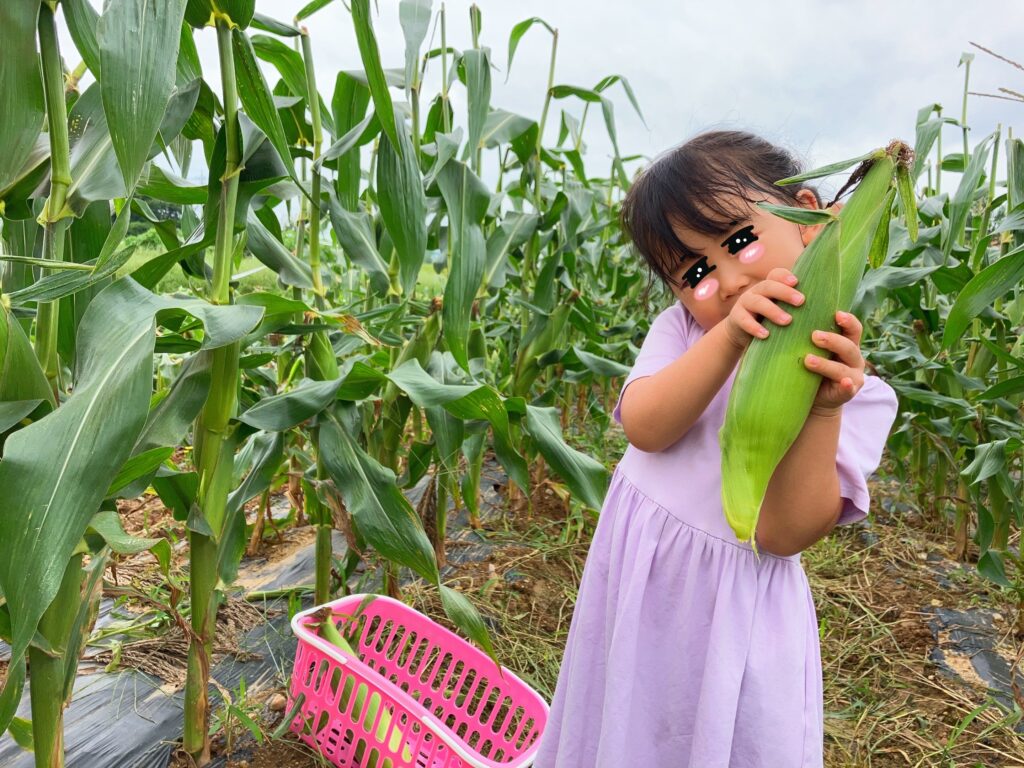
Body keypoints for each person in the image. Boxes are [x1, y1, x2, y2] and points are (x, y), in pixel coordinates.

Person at [532, 130, 900, 767]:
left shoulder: (856, 393)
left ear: (809, 220)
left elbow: (786, 533)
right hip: (641, 587)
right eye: (694, 273)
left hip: (734, 616)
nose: (727, 282)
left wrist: (820, 412)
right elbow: (647, 427)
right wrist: (728, 338)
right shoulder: (683, 332)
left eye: (739, 241)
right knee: (626, 719)